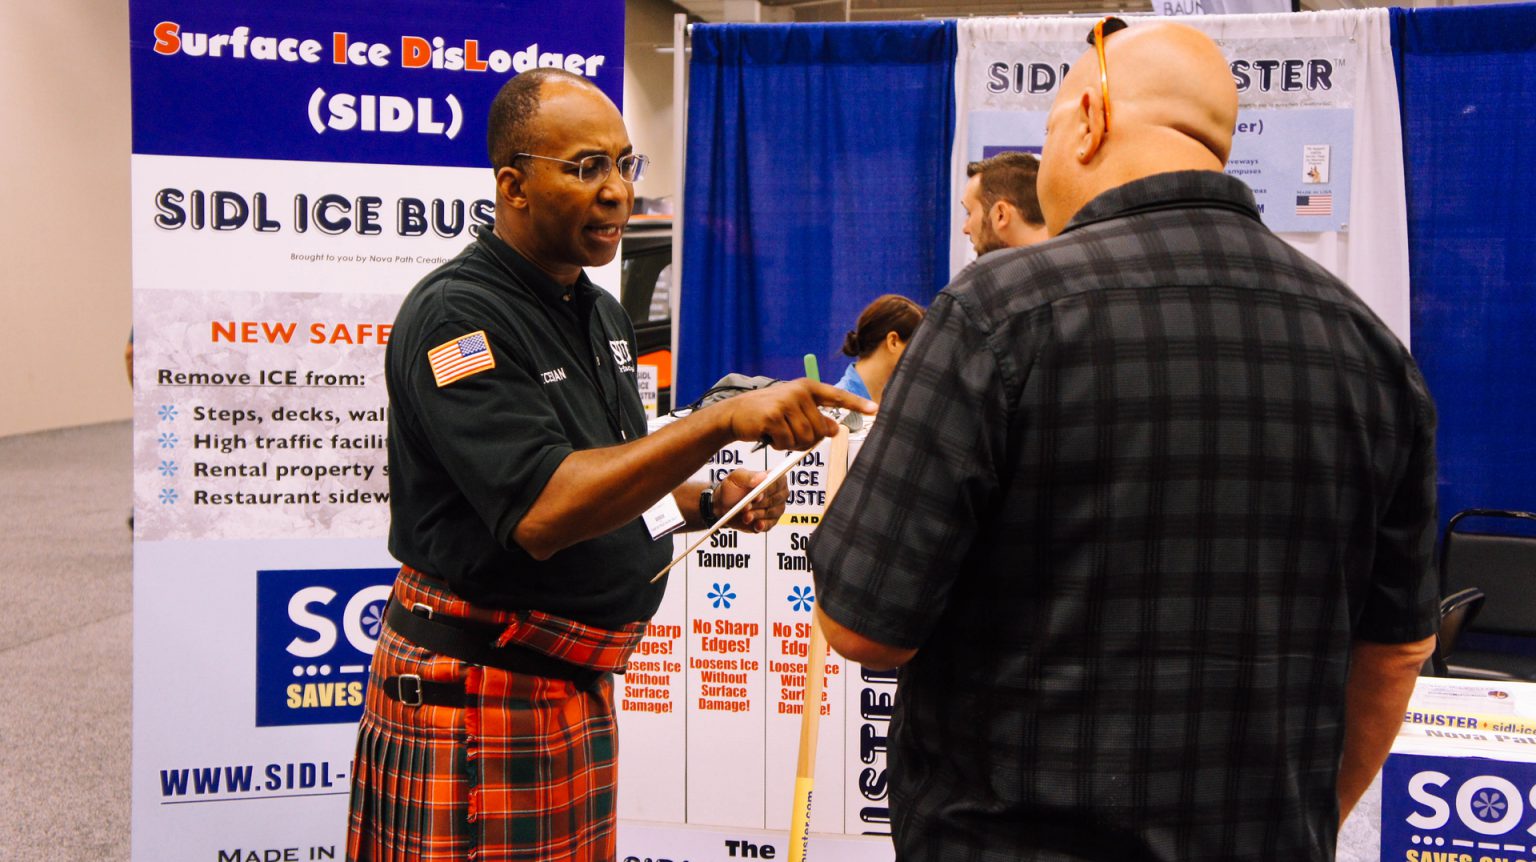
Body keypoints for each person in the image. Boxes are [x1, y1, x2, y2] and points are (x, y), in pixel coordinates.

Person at [807, 19, 1436, 861]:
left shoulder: (995, 313)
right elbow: (1397, 650)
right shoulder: (1370, 347)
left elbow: (863, 626)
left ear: (1089, 120)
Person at [347, 68, 873, 862]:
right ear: (513, 185)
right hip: (475, 696)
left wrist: (703, 501)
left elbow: (608, 471)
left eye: (625, 164)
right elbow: (544, 511)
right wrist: (717, 422)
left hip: (567, 688)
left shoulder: (599, 312)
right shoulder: (459, 316)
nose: (618, 190)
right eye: (586, 167)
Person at [833, 294, 924, 404]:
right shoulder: (835, 407)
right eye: (919, 346)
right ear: (893, 342)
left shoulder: (899, 402)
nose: (923, 358)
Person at [959, 150, 1050, 256]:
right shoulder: (1065, 260)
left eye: (969, 213)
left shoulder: (986, 267)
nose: (965, 229)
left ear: (1001, 214)